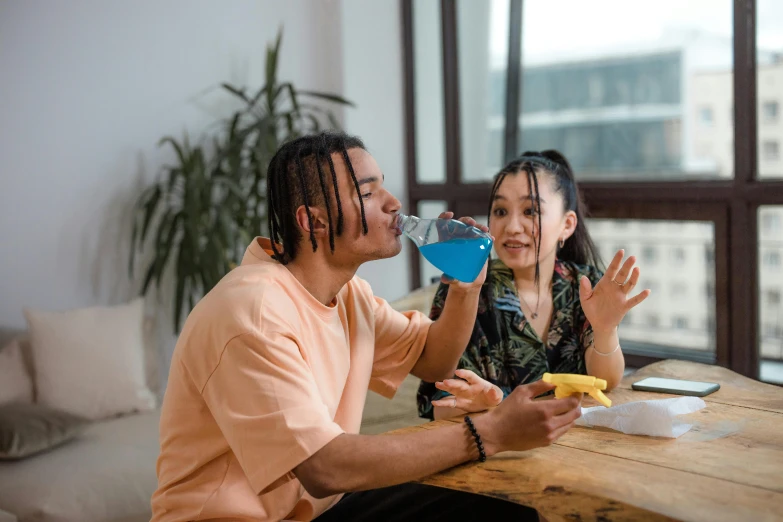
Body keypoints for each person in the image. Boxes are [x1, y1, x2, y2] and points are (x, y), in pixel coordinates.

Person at [150, 132, 582, 522]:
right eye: (369, 192)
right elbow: (325, 467)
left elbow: (433, 359)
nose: (393, 203)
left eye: (384, 186)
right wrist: (490, 432)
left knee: (501, 503)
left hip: (321, 512)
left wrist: (466, 287)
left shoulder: (348, 294)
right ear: (313, 221)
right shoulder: (251, 311)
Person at [417, 150, 651, 421]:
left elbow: (605, 382)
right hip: (486, 449)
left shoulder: (584, 286)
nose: (512, 226)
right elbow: (438, 401)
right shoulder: (464, 286)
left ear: (567, 224)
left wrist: (605, 329)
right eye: (501, 211)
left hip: (574, 447)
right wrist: (486, 405)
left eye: (530, 211)